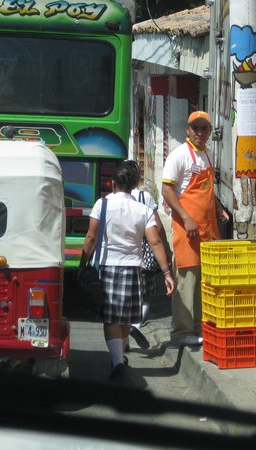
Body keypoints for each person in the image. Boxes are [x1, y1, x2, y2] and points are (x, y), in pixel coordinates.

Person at [79, 161, 175, 382]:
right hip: (134, 268)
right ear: (134, 185)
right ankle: (120, 358)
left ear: (113, 183)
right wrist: (167, 273)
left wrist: (83, 263)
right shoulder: (142, 210)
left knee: (111, 318)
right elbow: (155, 242)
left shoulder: (101, 205)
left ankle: (117, 361)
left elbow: (91, 238)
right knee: (123, 319)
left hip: (107, 266)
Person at [161, 111, 229, 346]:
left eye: (204, 129)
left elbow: (208, 190)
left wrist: (219, 208)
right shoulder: (179, 155)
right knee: (186, 282)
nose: (200, 133)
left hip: (208, 231)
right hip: (186, 231)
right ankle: (180, 333)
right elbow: (167, 191)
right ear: (187, 130)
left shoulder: (206, 155)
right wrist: (186, 218)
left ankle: (198, 328)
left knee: (203, 282)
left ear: (210, 132)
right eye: (195, 128)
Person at [122, 160, 171, 350]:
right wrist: (165, 249)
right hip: (146, 254)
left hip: (126, 253)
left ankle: (124, 339)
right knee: (146, 295)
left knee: (127, 297)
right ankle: (135, 325)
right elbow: (157, 227)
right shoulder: (145, 197)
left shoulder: (114, 197)